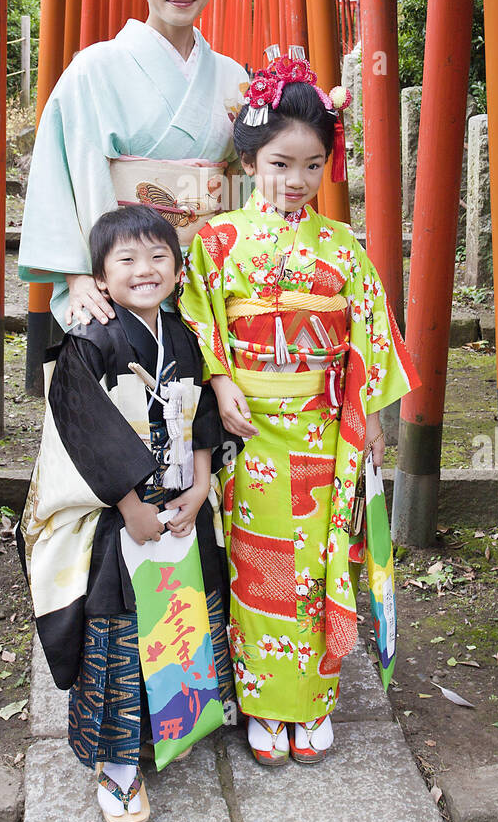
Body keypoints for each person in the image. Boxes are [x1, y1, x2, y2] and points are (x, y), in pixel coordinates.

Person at [179, 54, 421, 766]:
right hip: (251, 431)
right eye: (281, 163)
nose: (296, 181)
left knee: (317, 566)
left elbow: (367, 336)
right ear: (252, 158)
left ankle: (312, 701)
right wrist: (220, 383)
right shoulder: (219, 243)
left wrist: (369, 414)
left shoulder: (342, 249)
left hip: (321, 429)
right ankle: (263, 705)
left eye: (313, 166)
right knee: (260, 566)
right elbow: (199, 321)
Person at [16, 205, 235, 822]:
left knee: (187, 614)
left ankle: (175, 722)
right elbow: (84, 430)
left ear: (178, 268)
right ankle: (116, 767)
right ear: (101, 278)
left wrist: (199, 484)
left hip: (180, 506)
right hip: (120, 517)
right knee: (116, 632)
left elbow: (202, 420)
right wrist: (132, 506)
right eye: (127, 260)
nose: (146, 270)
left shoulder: (185, 335)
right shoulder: (91, 342)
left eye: (158, 257)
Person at [18, 0, 250, 331]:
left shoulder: (232, 76)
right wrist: (78, 272)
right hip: (118, 282)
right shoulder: (94, 69)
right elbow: (58, 175)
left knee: (207, 396)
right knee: (120, 394)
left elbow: (244, 185)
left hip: (207, 283)